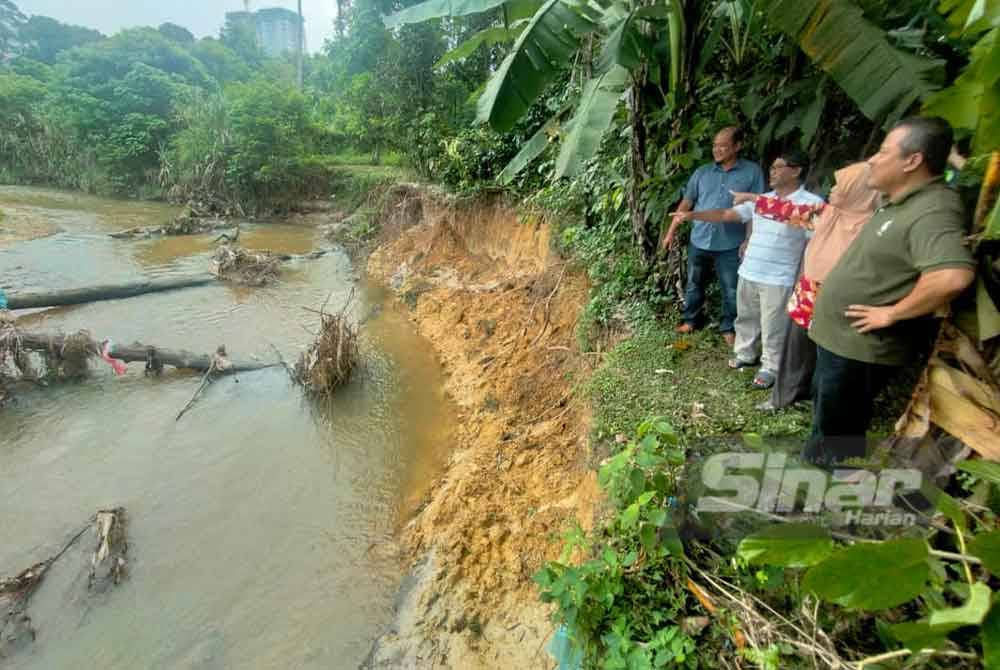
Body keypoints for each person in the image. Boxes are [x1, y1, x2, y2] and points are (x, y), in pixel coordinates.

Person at [804, 117, 976, 466]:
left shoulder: (933, 208)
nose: (873, 160)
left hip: (860, 346)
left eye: (883, 151)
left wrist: (892, 312)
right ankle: (821, 463)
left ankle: (829, 482)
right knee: (830, 415)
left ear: (912, 161)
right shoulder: (902, 201)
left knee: (840, 427)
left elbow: (952, 275)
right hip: (841, 340)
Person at [732, 162, 881, 410]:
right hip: (808, 294)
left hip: (841, 301)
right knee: (795, 348)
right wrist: (753, 199)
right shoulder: (829, 213)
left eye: (841, 186)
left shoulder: (873, 227)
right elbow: (787, 212)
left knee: (831, 355)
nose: (832, 190)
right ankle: (786, 396)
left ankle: (822, 401)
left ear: (859, 192)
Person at [670, 150, 824, 389]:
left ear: (796, 171)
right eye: (771, 168)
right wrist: (692, 214)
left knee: (774, 325)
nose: (772, 172)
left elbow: (813, 242)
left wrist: (801, 277)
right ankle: (745, 353)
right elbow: (727, 214)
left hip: (780, 275)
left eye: (778, 167)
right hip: (750, 269)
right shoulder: (763, 198)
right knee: (746, 317)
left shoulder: (810, 204)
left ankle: (771, 366)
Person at [661, 127, 765, 346]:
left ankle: (728, 327)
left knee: (731, 288)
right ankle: (691, 320)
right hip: (700, 239)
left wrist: (749, 240)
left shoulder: (752, 172)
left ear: (737, 146)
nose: (717, 150)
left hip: (731, 242)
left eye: (723, 146)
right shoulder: (702, 172)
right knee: (694, 282)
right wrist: (671, 231)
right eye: (715, 145)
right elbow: (686, 203)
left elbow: (756, 210)